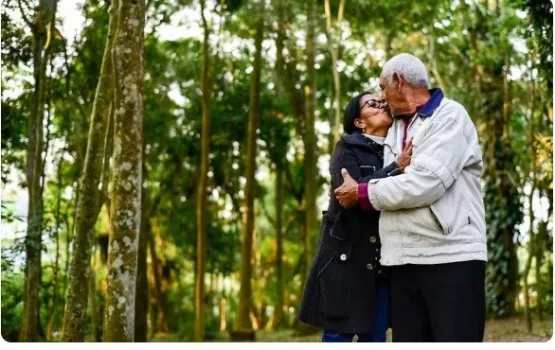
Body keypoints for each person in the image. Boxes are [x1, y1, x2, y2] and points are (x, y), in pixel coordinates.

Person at [334, 53, 487, 342]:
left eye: (383, 87)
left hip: (450, 256)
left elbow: (426, 183)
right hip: (402, 261)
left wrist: (363, 192)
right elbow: (383, 170)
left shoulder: (450, 116)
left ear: (398, 81)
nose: (381, 95)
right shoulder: (394, 128)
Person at [298, 92, 412, 342]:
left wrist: (391, 168)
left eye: (383, 101)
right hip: (344, 263)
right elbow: (349, 196)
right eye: (372, 103)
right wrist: (395, 169)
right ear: (359, 122)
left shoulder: (397, 148)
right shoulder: (347, 147)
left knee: (376, 337)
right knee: (338, 336)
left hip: (380, 265)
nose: (381, 104)